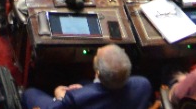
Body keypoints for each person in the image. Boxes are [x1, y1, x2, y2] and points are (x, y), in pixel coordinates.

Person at [23, 42, 151, 109]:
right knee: (82, 81)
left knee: (30, 93)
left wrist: (60, 97)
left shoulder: (75, 98)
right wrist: (84, 89)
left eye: (96, 56)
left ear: (98, 72)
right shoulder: (143, 84)